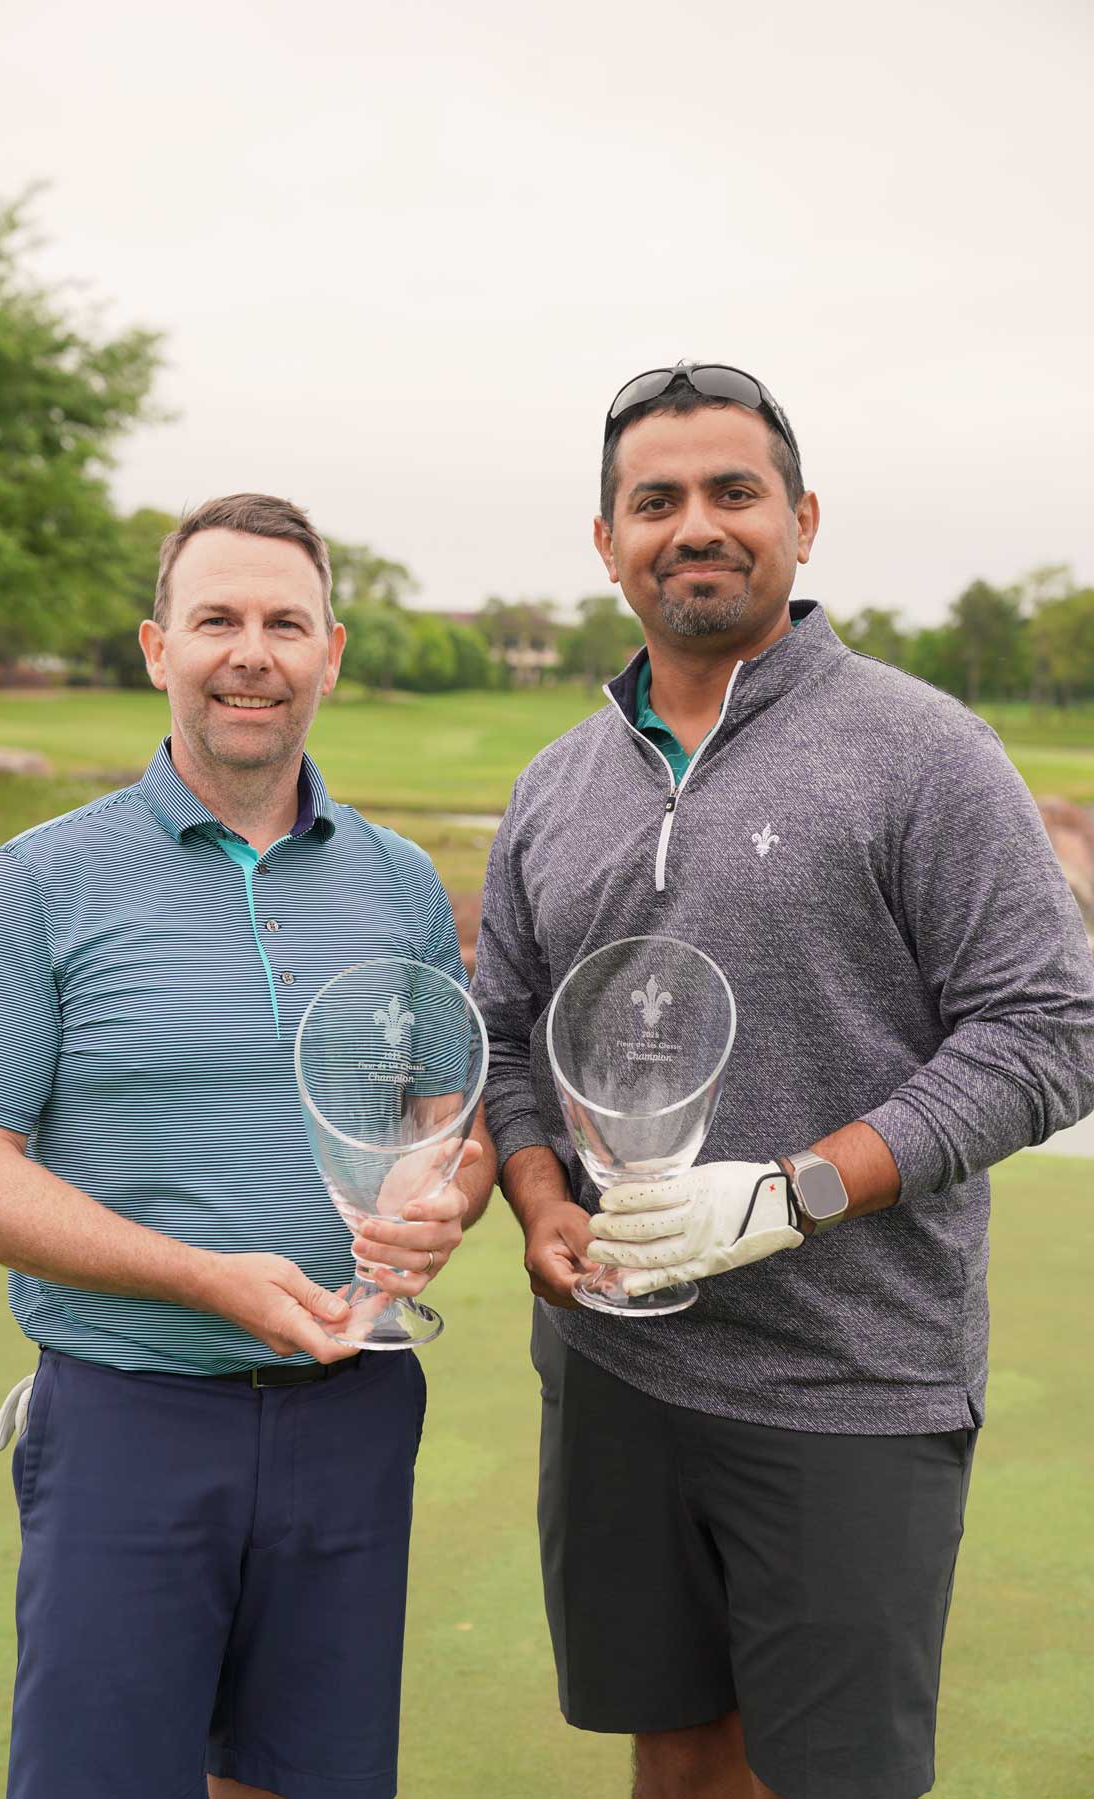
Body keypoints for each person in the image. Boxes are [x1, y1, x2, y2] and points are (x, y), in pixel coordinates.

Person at [470, 362, 1094, 1799]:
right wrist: (535, 1193)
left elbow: (1047, 1034)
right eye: (657, 500)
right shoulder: (559, 782)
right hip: (618, 1368)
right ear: (608, 540)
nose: (697, 525)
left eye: (733, 493)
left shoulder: (925, 751)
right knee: (677, 1756)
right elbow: (503, 1032)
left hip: (851, 1383)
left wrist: (793, 1193)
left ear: (802, 521)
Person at [0, 492, 496, 1799]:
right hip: (128, 1413)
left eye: (285, 622)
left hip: (354, 1409)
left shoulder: (399, 881)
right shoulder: (44, 877)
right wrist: (207, 1277)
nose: (252, 652)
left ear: (330, 653)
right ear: (154, 647)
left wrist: (445, 1195)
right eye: (216, 619)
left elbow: (451, 1128)